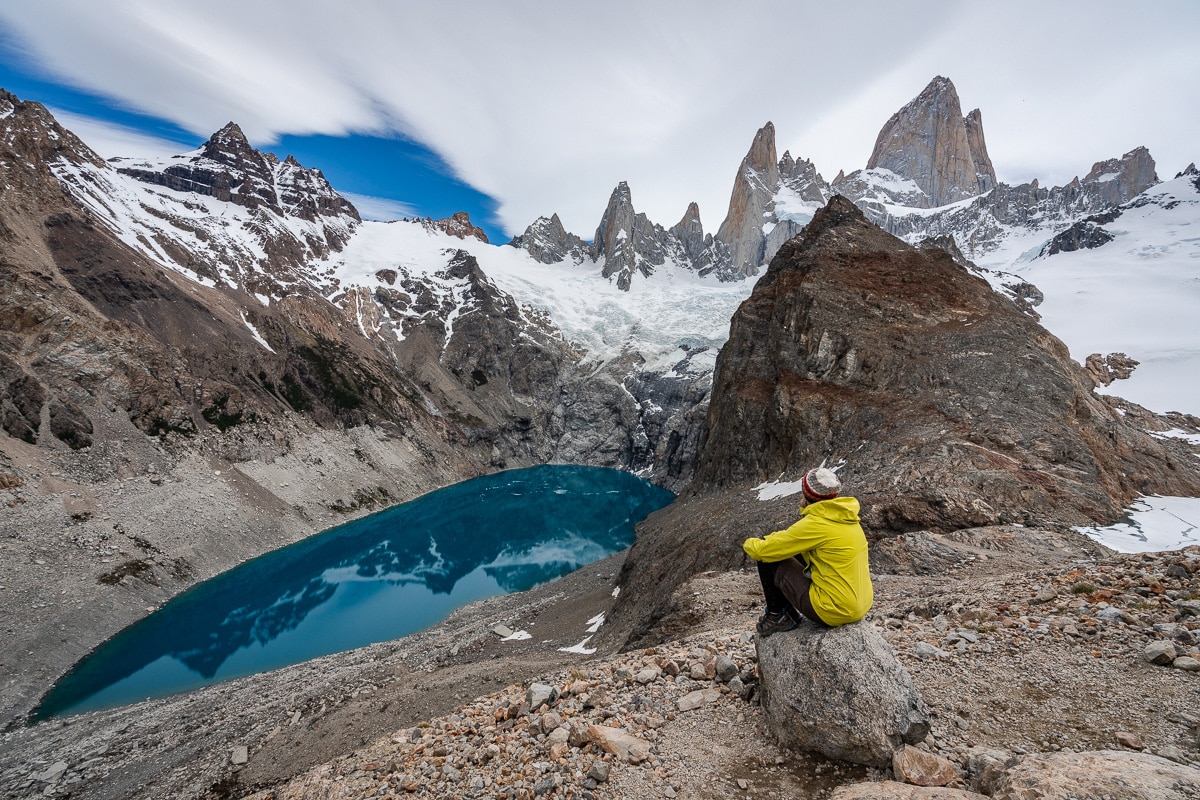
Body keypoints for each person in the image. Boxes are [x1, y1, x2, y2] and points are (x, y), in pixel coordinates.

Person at [742, 467, 873, 637]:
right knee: (793, 551)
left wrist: (748, 543)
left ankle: (778, 616)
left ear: (807, 493)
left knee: (768, 558)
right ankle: (784, 613)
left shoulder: (816, 524)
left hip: (834, 610)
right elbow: (790, 542)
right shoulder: (847, 518)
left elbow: (765, 550)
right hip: (860, 605)